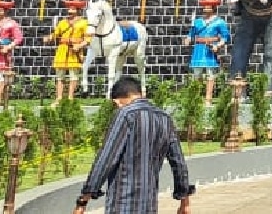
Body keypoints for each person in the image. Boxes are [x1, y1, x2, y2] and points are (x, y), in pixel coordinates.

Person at [74, 76, 195, 214]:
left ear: (117, 101)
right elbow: (178, 162)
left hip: (122, 204)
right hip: (149, 205)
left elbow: (106, 159)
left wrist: (83, 200)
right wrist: (184, 202)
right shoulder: (165, 119)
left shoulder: (125, 115)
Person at [183, 0, 229, 103]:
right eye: (204, 6)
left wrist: (218, 45)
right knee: (197, 74)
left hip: (209, 49)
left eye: (207, 6)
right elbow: (191, 34)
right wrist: (188, 39)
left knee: (210, 73)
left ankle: (208, 98)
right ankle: (197, 97)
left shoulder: (219, 22)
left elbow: (225, 37)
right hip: (199, 48)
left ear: (213, 8)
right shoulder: (198, 22)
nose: (205, 8)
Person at [49, 0, 91, 102]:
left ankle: (70, 98)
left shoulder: (84, 23)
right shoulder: (62, 22)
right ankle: (59, 98)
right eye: (69, 8)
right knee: (60, 75)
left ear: (78, 10)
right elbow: (56, 34)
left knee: (73, 75)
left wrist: (80, 45)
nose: (70, 10)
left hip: (74, 50)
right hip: (62, 50)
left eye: (72, 8)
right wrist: (50, 37)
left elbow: (88, 39)